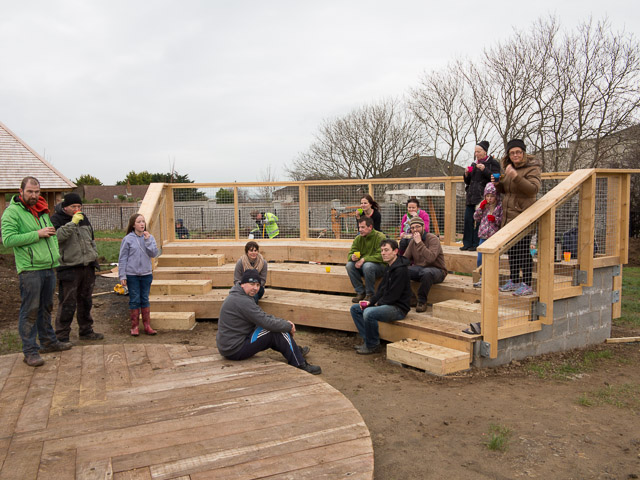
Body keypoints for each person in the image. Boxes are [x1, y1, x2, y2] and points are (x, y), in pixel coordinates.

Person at [1, 177, 72, 367]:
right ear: (21, 191)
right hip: (30, 269)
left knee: (46, 307)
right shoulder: (12, 212)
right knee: (30, 310)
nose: (34, 195)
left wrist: (54, 253)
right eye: (30, 191)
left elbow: (50, 235)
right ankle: (30, 351)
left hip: (48, 266)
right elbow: (7, 240)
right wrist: (37, 235)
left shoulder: (41, 210)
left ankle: (48, 342)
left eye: (37, 192)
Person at [216, 269, 321, 374]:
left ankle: (294, 351)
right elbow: (266, 322)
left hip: (230, 346)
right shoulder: (242, 300)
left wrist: (284, 322)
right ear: (243, 284)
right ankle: (299, 363)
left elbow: (262, 316)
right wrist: (288, 326)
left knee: (273, 328)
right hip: (235, 349)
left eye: (257, 285)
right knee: (275, 332)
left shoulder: (240, 295)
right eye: (252, 284)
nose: (255, 288)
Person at [50, 192, 104, 342]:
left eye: (79, 206)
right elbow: (57, 238)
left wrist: (93, 254)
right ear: (65, 207)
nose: (77, 209)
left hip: (87, 265)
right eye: (73, 206)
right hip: (69, 267)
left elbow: (90, 238)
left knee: (86, 300)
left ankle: (86, 331)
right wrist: (72, 223)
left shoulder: (84, 218)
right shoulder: (56, 219)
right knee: (67, 301)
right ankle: (61, 335)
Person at [496, 138, 542, 296]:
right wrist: (498, 184)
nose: (515, 155)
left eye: (518, 152)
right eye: (512, 153)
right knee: (512, 251)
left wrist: (515, 176)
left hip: (524, 216)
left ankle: (527, 283)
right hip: (509, 217)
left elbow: (532, 190)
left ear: (523, 153)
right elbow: (508, 191)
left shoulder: (532, 168)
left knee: (523, 251)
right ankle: (514, 280)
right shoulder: (509, 168)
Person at [349, 239, 411, 355]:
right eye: (382, 250)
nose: (383, 253)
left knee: (368, 313)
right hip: (387, 304)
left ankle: (373, 345)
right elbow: (381, 290)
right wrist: (370, 302)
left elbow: (394, 296)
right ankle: (368, 340)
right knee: (355, 309)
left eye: (386, 250)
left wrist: (376, 304)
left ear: (395, 251)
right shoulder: (389, 266)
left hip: (398, 308)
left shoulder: (401, 270)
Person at [118, 213, 160, 335]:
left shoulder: (150, 238)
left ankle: (147, 326)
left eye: (143, 221)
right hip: (132, 275)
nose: (142, 224)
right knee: (135, 300)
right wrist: (122, 275)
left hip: (146, 274)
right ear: (133, 225)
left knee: (145, 299)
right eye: (139, 222)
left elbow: (153, 253)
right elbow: (122, 258)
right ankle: (134, 326)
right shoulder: (127, 239)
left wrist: (147, 241)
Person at [402, 217, 447, 312]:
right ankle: (411, 298)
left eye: (417, 227)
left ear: (423, 227)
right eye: (412, 228)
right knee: (401, 270)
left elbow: (431, 258)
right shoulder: (412, 241)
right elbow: (405, 259)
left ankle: (422, 301)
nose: (415, 230)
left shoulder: (433, 239)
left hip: (437, 270)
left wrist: (419, 242)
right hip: (420, 269)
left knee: (427, 272)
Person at [461, 141, 501, 251]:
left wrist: (485, 170)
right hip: (471, 195)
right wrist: (466, 174)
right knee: (468, 219)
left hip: (484, 196)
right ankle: (467, 243)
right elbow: (468, 181)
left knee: (480, 221)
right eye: (475, 152)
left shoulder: (493, 163)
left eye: (478, 151)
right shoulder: (474, 163)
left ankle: (476, 244)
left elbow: (495, 178)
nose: (476, 154)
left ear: (485, 152)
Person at [346, 216, 387, 303]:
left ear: (370, 227)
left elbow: (382, 256)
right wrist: (352, 257)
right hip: (363, 266)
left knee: (368, 266)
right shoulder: (358, 238)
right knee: (349, 265)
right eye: (359, 227)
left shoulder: (380, 237)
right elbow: (350, 254)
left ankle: (370, 294)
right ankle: (360, 292)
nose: (360, 230)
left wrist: (364, 259)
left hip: (380, 267)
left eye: (363, 227)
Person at [472, 183, 503, 288]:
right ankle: (482, 278)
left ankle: (493, 279)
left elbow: (502, 221)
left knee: (494, 259)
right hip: (483, 236)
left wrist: (495, 219)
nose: (489, 198)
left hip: (494, 237)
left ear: (496, 196)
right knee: (480, 259)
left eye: (492, 196)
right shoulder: (483, 206)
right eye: (488, 196)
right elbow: (476, 218)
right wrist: (480, 208)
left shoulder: (499, 207)